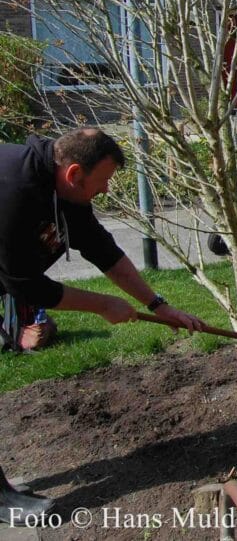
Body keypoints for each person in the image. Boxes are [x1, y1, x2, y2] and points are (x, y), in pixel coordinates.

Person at [0, 127, 205, 523]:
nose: (107, 190)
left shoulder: (59, 184)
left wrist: (158, 305)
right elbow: (24, 284)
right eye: (104, 181)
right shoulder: (14, 191)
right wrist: (101, 305)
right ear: (75, 173)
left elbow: (101, 249)